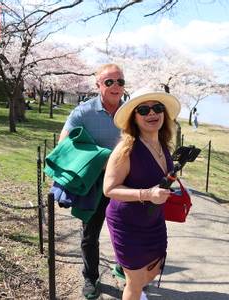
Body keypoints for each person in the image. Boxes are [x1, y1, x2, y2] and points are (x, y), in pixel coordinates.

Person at [103, 88, 181, 300]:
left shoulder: (163, 145)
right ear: (133, 118)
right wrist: (148, 194)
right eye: (143, 110)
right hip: (127, 223)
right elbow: (109, 189)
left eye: (157, 108)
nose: (151, 114)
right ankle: (132, 286)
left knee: (153, 269)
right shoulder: (125, 149)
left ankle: (131, 280)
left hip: (153, 220)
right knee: (135, 282)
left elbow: (157, 179)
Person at [58, 63, 125, 299]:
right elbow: (64, 143)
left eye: (120, 81)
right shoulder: (83, 112)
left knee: (127, 231)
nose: (115, 86)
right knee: (90, 234)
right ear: (98, 85)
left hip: (125, 184)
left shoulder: (131, 112)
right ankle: (90, 278)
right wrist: (100, 158)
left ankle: (124, 268)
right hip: (94, 185)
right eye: (109, 82)